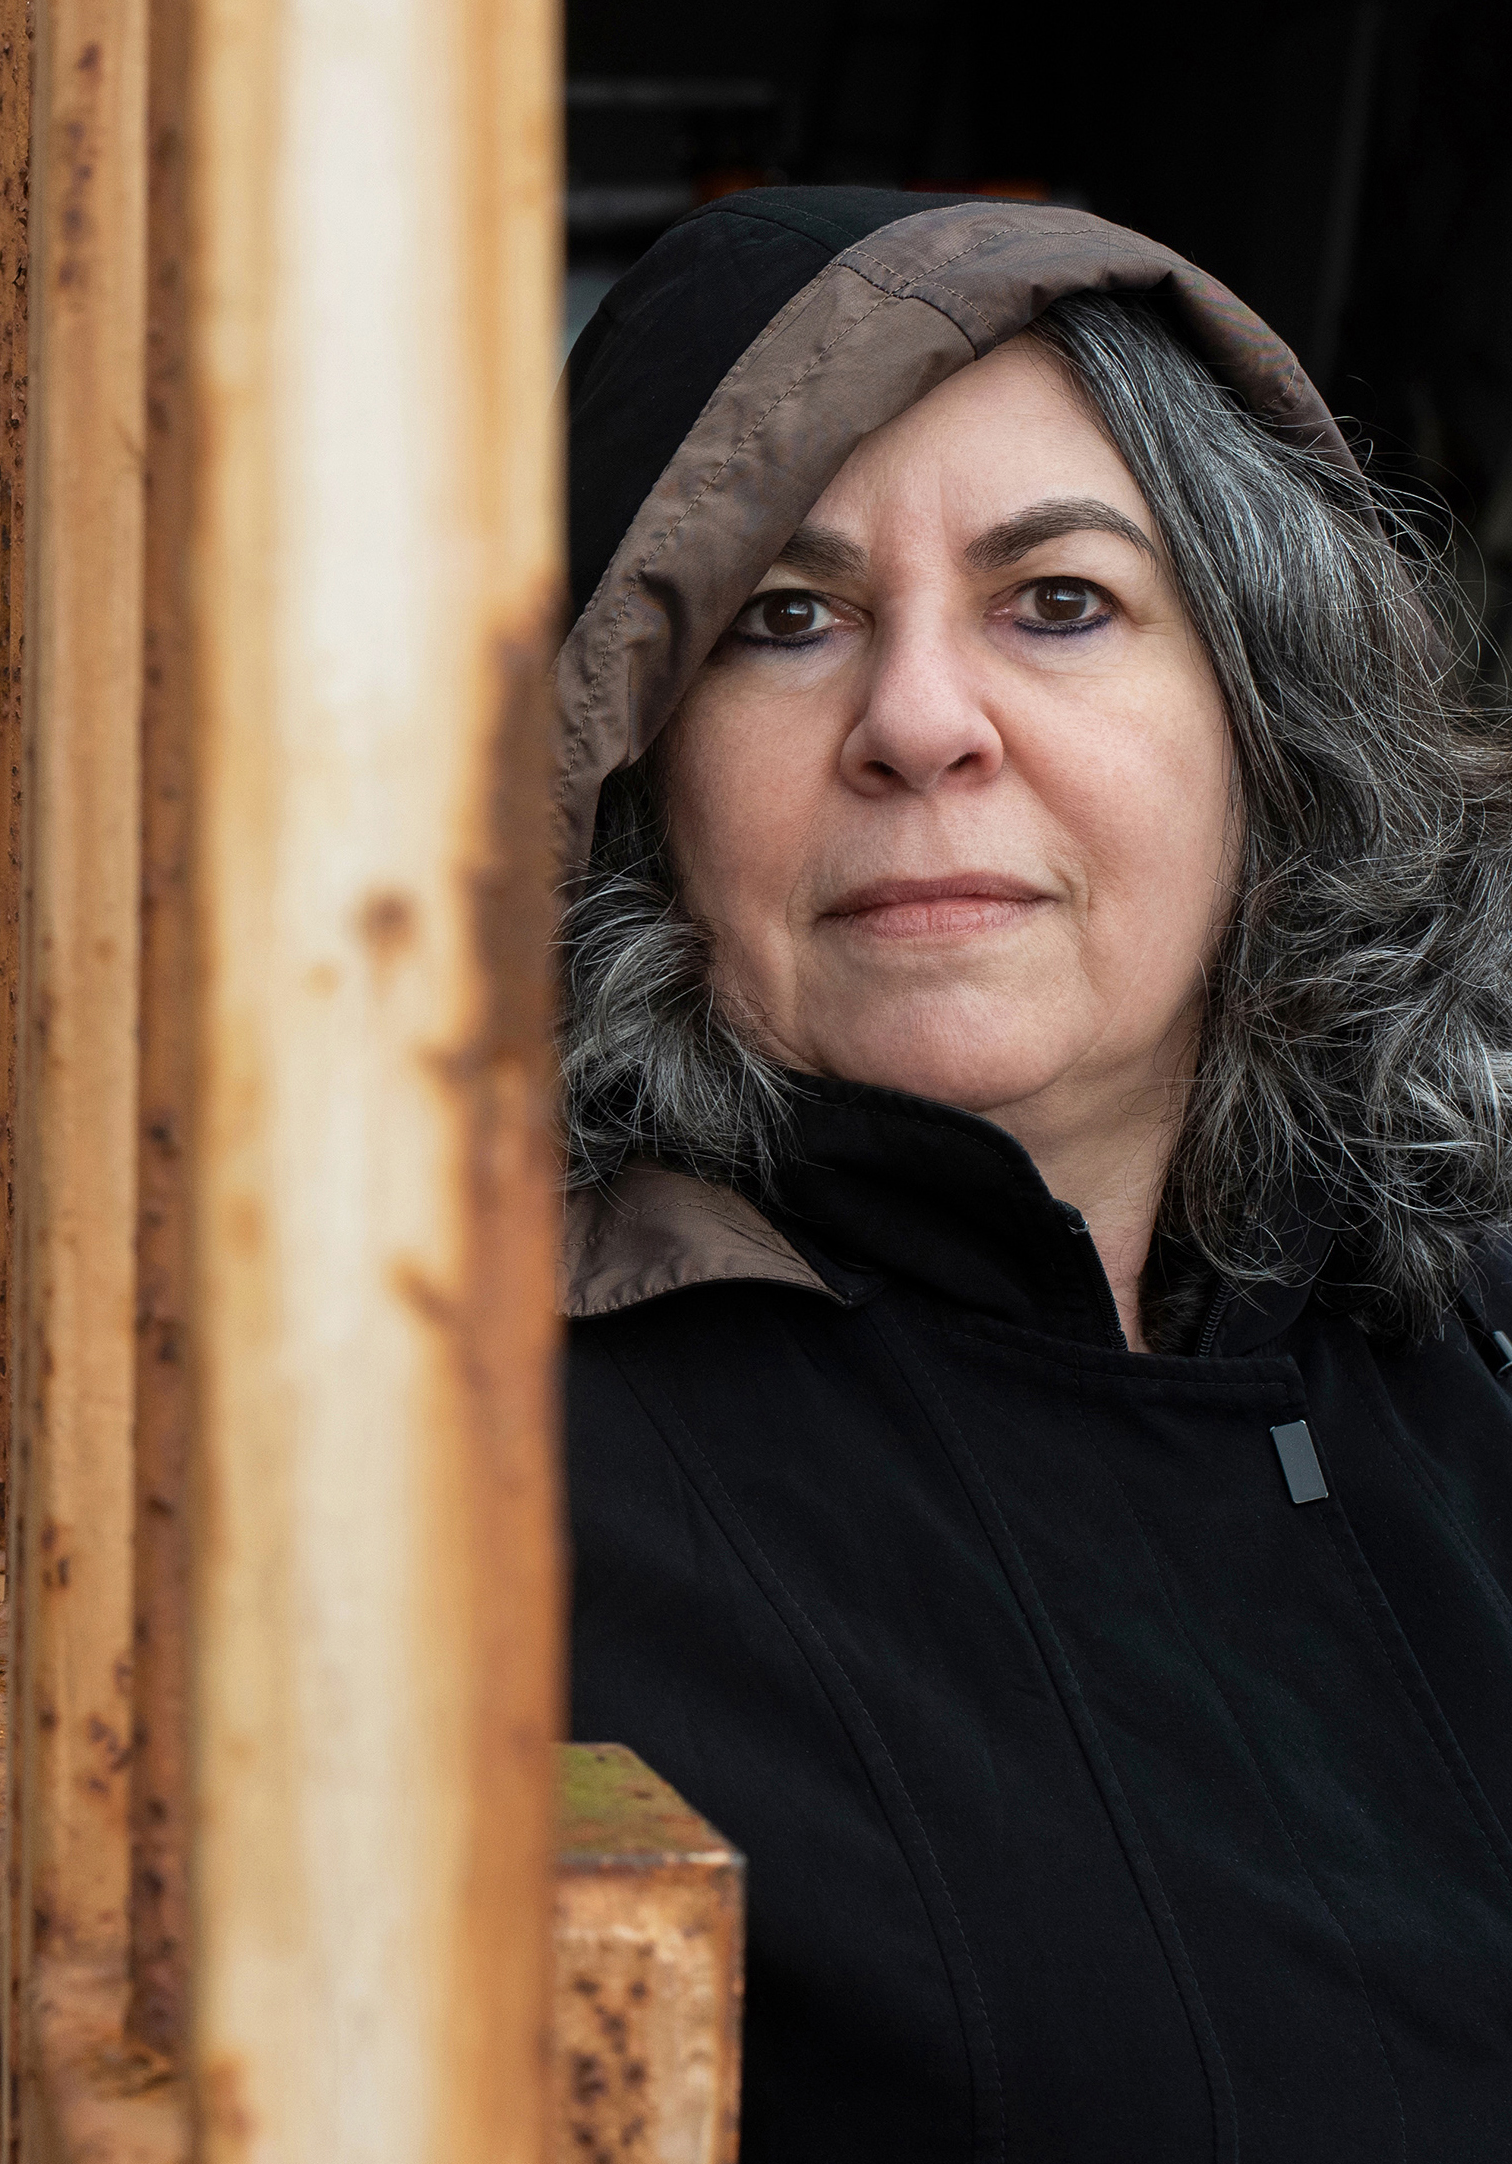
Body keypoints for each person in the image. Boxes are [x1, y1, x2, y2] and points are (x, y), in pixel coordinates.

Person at [557, 186, 1512, 2162]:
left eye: (1057, 601)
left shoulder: (1469, 1325)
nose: (918, 723)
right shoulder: (468, 1507)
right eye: (784, 618)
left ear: (1261, 719)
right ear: (638, 769)